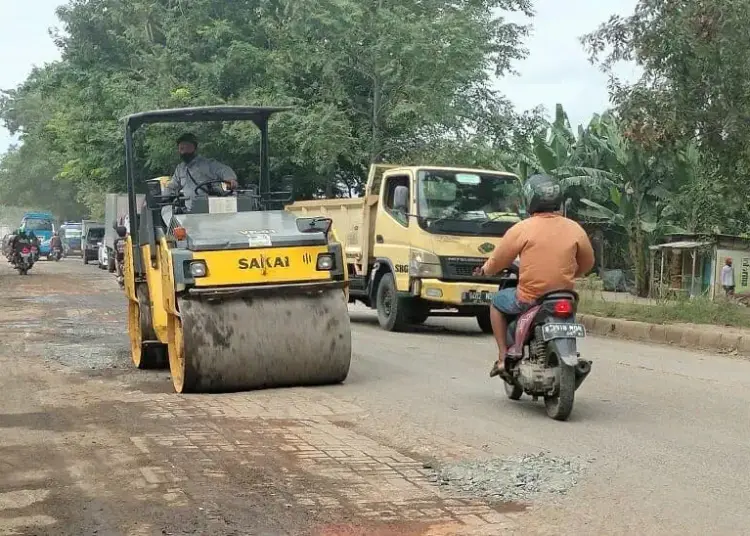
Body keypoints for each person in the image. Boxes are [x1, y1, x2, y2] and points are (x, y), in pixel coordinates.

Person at [473, 174, 595, 378]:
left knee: (496, 302)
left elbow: (498, 261)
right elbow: (588, 263)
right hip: (564, 297)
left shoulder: (522, 228)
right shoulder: (575, 229)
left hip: (530, 298)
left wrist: (485, 270)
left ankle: (503, 356)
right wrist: (571, 275)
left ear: (530, 199)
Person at [162, 133, 239, 211]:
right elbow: (172, 186)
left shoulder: (208, 164)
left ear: (195, 148)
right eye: (181, 148)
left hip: (211, 210)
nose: (184, 151)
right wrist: (163, 197)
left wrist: (231, 180)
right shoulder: (180, 169)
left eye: (187, 147)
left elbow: (224, 170)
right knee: (167, 210)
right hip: (190, 212)